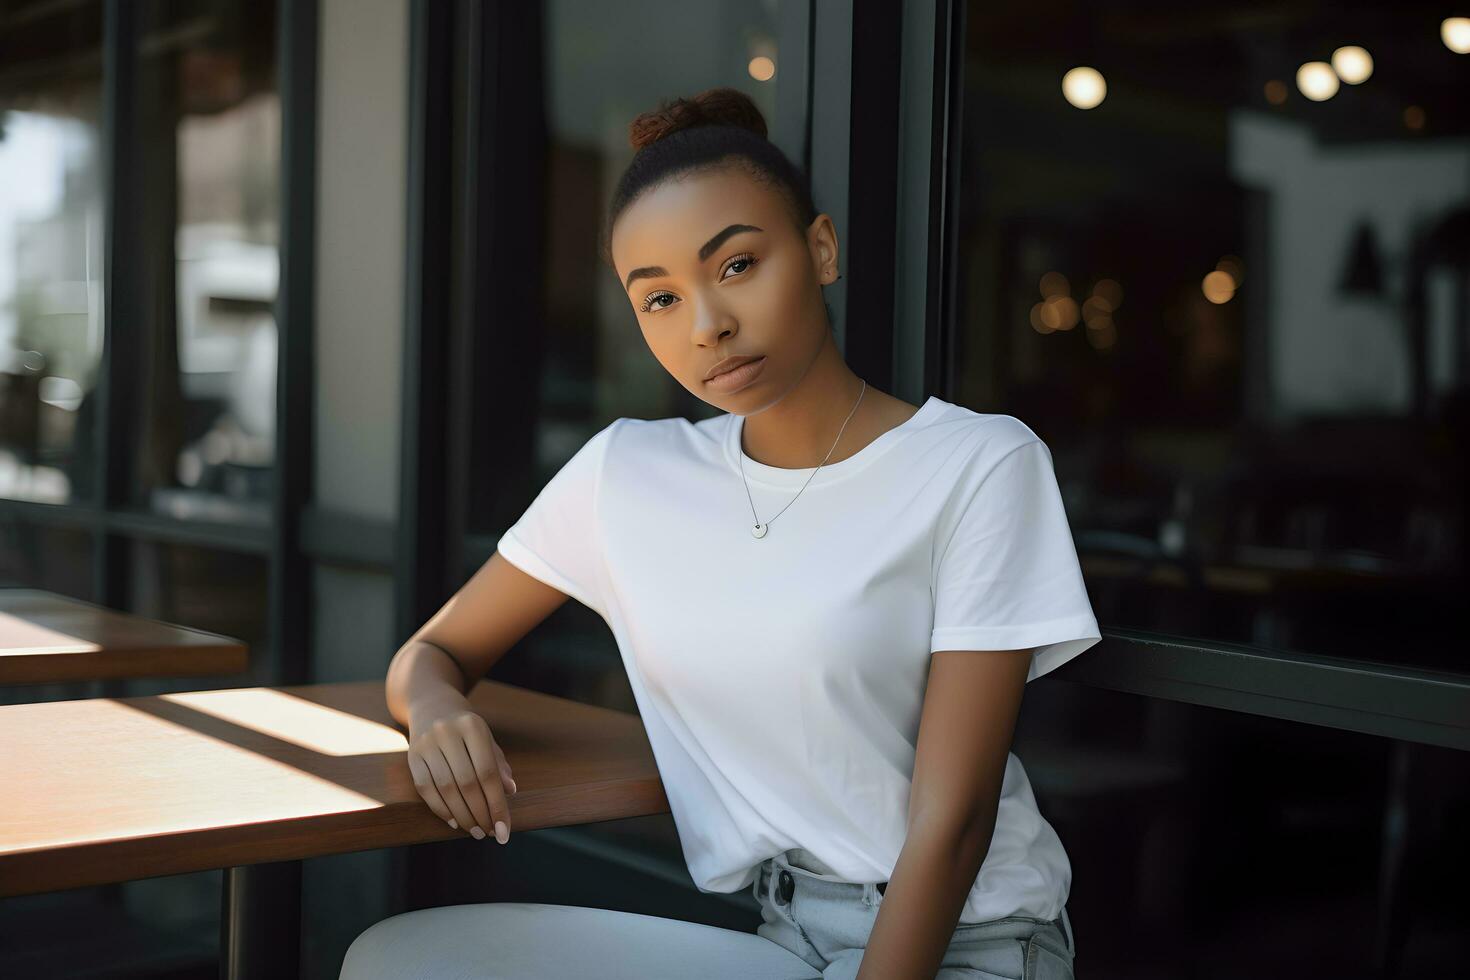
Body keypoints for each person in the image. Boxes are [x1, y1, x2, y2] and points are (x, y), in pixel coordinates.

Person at [343, 87, 1098, 980]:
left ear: (820, 249)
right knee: (403, 959)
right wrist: (435, 708)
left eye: (736, 265)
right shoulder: (625, 474)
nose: (708, 326)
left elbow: (956, 818)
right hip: (786, 930)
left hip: (970, 941)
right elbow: (430, 652)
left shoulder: (976, 464)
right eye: (658, 299)